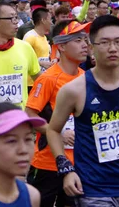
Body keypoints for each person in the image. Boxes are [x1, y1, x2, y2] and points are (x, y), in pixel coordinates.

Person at [45, 15, 119, 207]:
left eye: (118, 42)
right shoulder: (74, 89)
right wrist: (65, 168)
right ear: (92, 47)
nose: (112, 48)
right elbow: (53, 129)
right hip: (91, 188)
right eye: (105, 42)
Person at [25, 20, 90, 207]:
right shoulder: (48, 78)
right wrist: (58, 133)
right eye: (78, 40)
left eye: (85, 40)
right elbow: (29, 114)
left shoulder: (85, 77)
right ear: (61, 45)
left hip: (78, 162)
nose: (85, 45)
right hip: (47, 163)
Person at [23, 8, 53, 72]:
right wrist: (41, 63)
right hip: (31, 81)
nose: (51, 23)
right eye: (50, 19)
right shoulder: (30, 37)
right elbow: (23, 58)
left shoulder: (44, 37)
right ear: (43, 20)